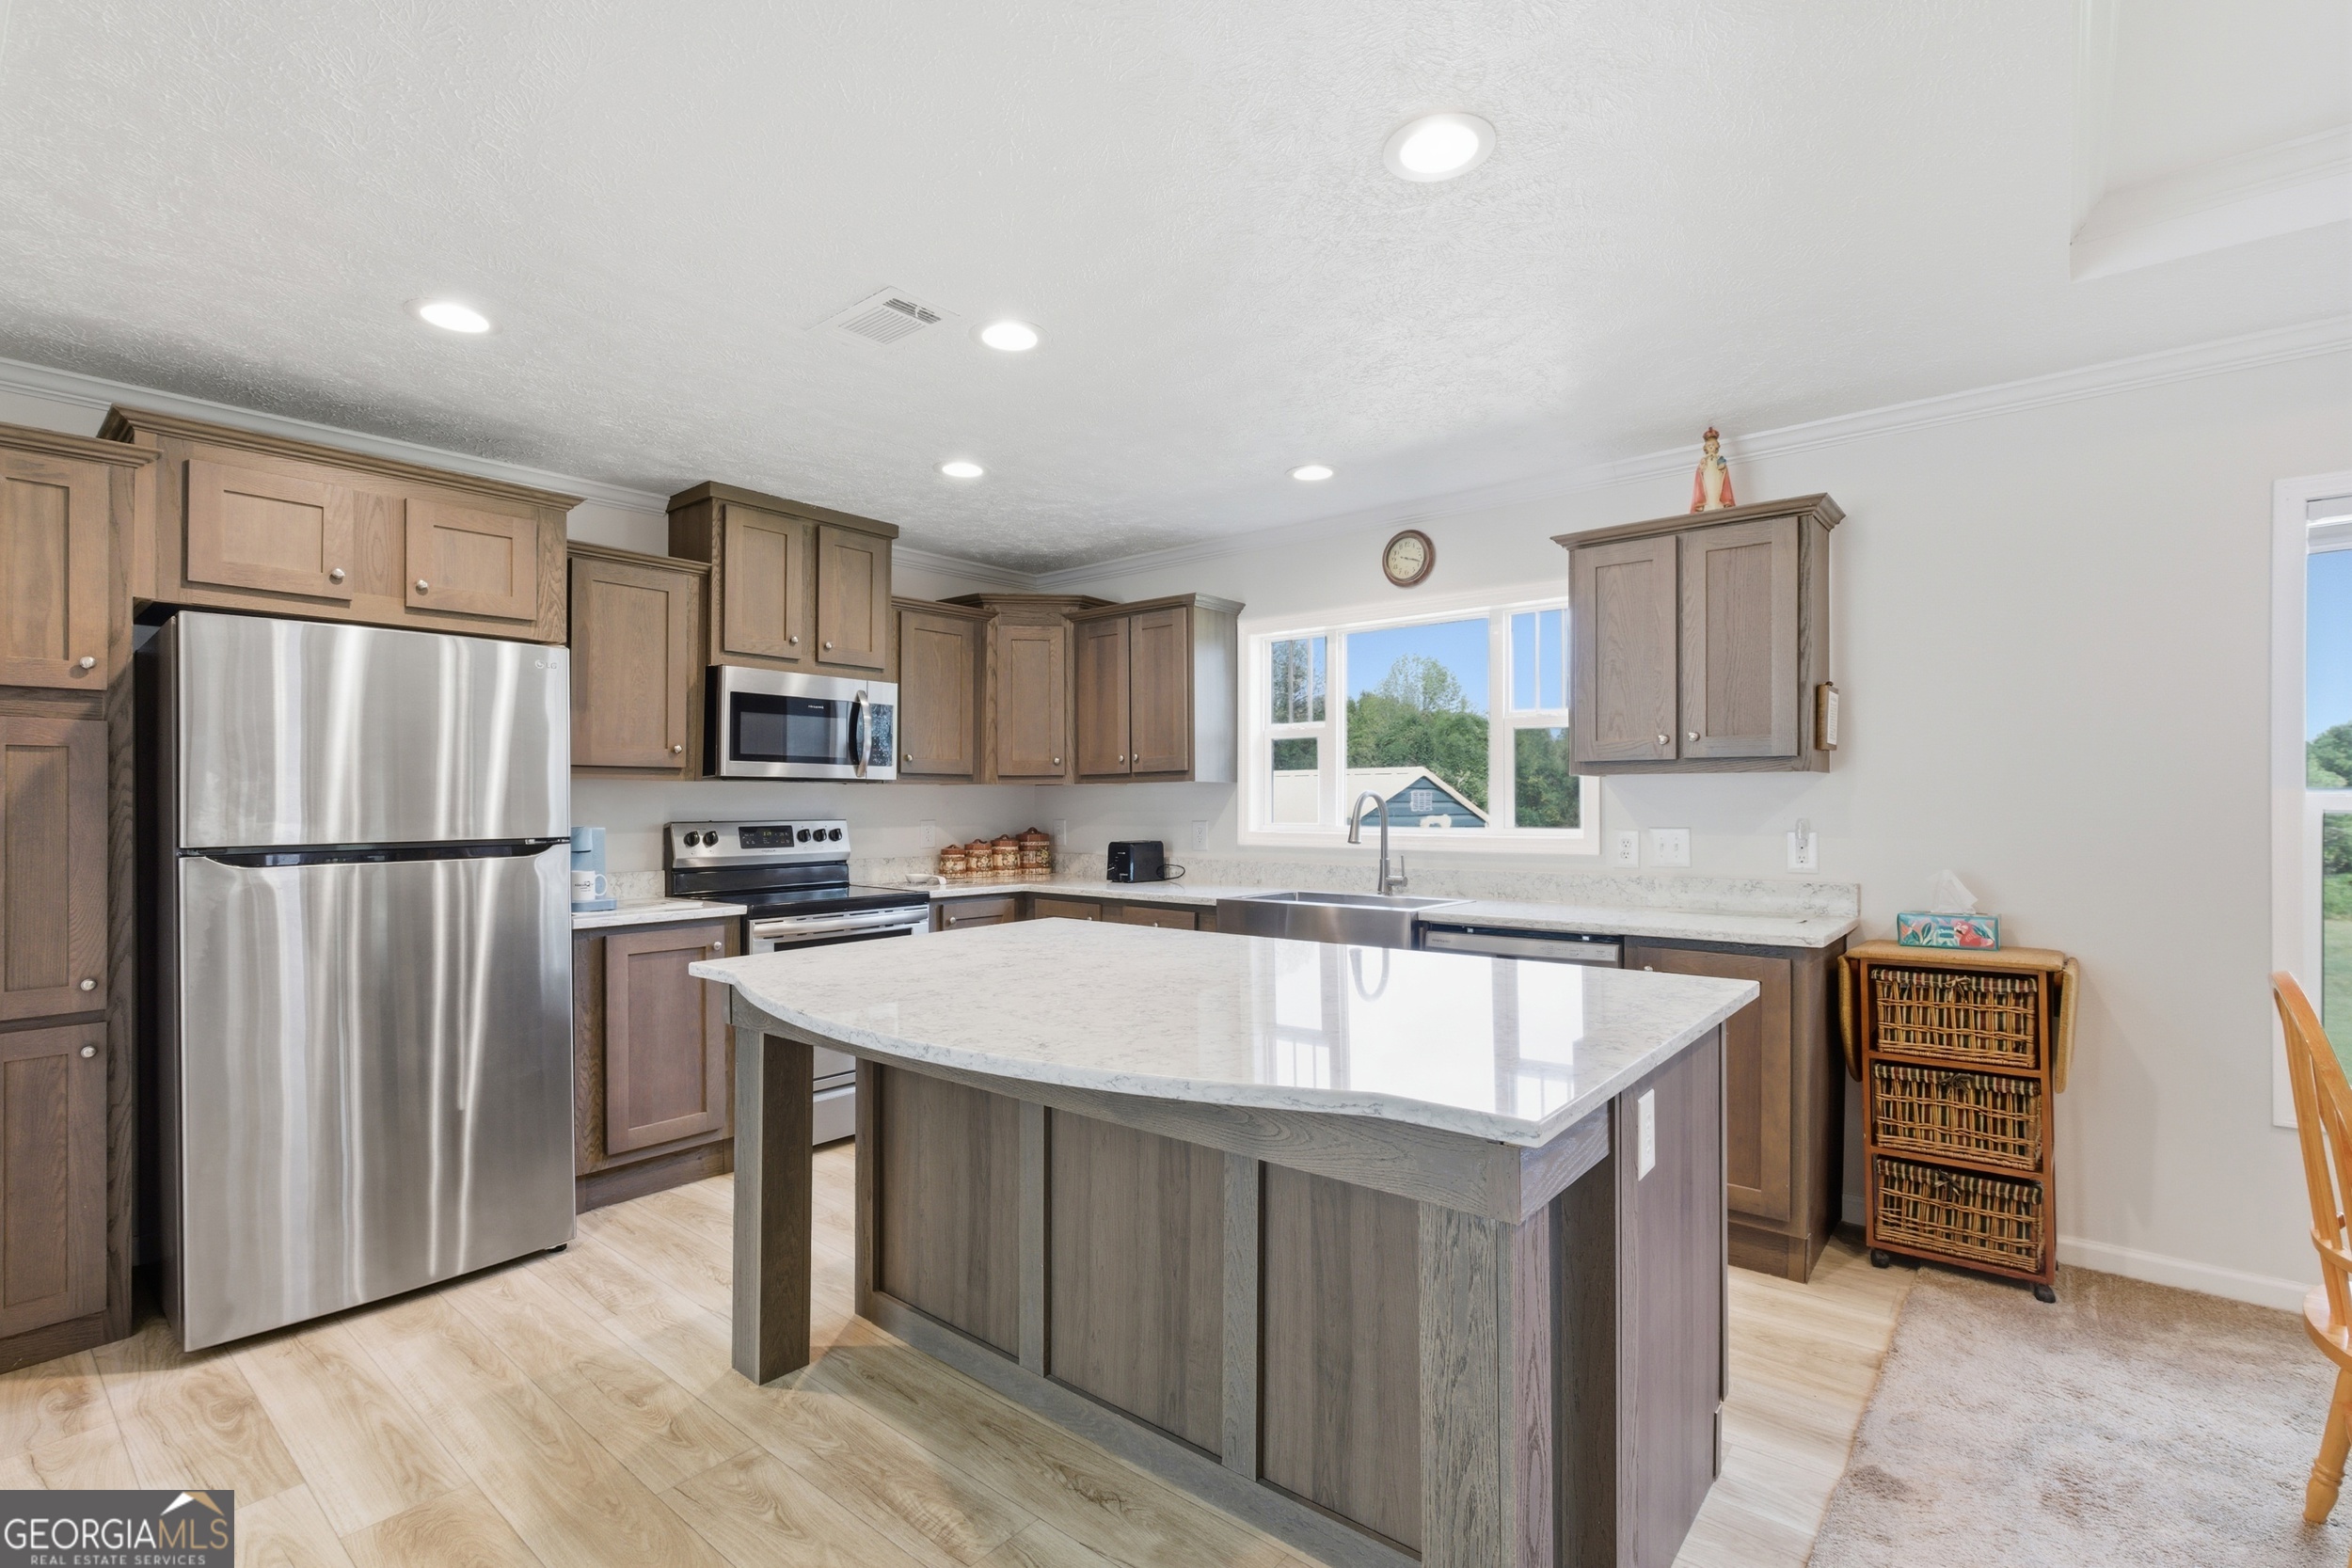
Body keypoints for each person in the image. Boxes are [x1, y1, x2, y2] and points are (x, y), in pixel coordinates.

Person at [1691, 426, 1735, 513]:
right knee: (1708, 488)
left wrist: (1722, 467)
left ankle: (1719, 502)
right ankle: (1707, 503)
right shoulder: (1705, 459)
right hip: (1708, 476)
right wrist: (1702, 466)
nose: (1711, 447)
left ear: (1717, 446)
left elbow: (1722, 467)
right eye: (1709, 445)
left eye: (1713, 445)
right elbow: (1701, 470)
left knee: (1717, 487)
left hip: (1716, 476)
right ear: (1706, 448)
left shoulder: (1719, 458)